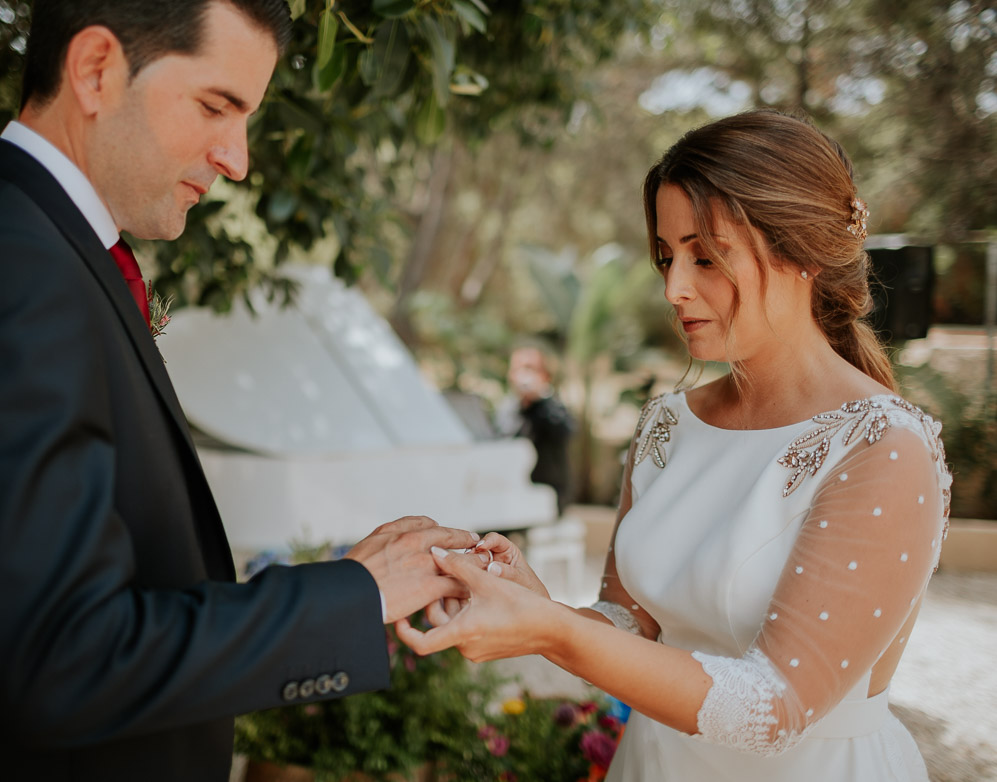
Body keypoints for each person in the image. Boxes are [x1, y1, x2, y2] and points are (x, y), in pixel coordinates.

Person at [0, 2, 477, 780]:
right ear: (94, 70)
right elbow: (67, 659)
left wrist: (350, 584)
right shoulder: (4, 272)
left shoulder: (41, 251)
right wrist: (350, 598)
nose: (237, 158)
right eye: (217, 107)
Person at [396, 110, 952, 782]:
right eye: (666, 255)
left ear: (800, 253)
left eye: (704, 256)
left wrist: (550, 631)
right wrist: (534, 602)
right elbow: (631, 632)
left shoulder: (881, 447)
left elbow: (774, 708)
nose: (672, 288)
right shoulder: (668, 423)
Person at [495, 345, 576, 514]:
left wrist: (539, 399)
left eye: (531, 368)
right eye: (519, 369)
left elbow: (566, 431)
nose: (524, 375)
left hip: (548, 495)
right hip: (509, 495)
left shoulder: (553, 407)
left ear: (545, 376)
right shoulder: (507, 408)